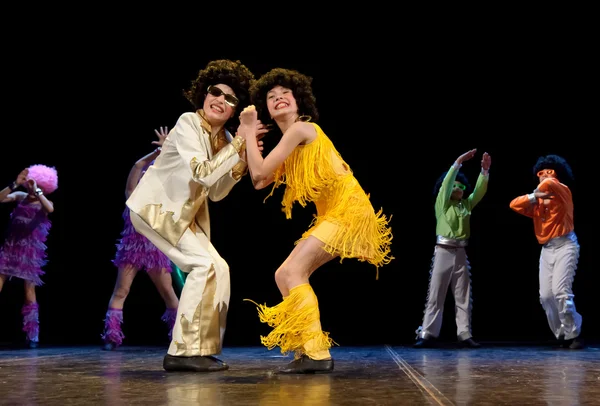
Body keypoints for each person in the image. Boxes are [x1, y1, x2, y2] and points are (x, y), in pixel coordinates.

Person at [238, 68, 393, 374]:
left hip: (348, 211)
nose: (279, 98)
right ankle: (305, 351)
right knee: (285, 274)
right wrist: (250, 143)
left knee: (292, 271)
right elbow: (259, 181)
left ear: (299, 101)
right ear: (267, 108)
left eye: (285, 93)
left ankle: (316, 354)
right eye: (271, 96)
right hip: (338, 213)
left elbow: (257, 173)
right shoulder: (291, 143)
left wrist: (244, 132)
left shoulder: (301, 129)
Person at [126, 59, 266, 372]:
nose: (221, 100)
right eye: (216, 92)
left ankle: (200, 350)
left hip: (182, 217)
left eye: (230, 99)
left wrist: (240, 161)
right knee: (203, 266)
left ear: (234, 110)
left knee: (220, 268)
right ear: (204, 93)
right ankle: (181, 352)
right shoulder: (188, 121)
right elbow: (203, 174)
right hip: (155, 209)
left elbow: (215, 193)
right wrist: (241, 141)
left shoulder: (225, 141)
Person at [101, 127, 180, 350]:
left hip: (155, 248)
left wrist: (166, 154)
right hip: (131, 249)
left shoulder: (164, 199)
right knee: (121, 291)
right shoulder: (132, 196)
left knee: (168, 293)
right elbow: (137, 166)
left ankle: (179, 337)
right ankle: (111, 336)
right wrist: (156, 153)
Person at [413, 149, 490, 349]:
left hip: (461, 253)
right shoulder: (443, 205)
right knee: (436, 293)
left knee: (463, 294)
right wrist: (457, 163)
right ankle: (427, 333)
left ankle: (464, 333)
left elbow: (479, 193)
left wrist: (484, 172)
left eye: (460, 186)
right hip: (443, 251)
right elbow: (447, 184)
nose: (457, 187)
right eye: (454, 185)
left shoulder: (466, 205)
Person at [509, 154, 584, 349]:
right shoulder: (537, 205)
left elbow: (550, 184)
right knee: (546, 296)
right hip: (547, 249)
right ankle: (562, 334)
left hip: (566, 245)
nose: (543, 176)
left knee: (561, 292)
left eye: (548, 172)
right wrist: (534, 197)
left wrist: (544, 183)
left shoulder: (563, 192)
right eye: (540, 173)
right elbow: (514, 204)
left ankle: (573, 333)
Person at [0, 164, 58, 348]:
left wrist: (38, 191)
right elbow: (0, 198)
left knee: (28, 292)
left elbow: (50, 209)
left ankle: (32, 335)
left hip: (30, 253)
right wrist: (14, 184)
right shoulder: (20, 196)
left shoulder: (43, 202)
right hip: (10, 248)